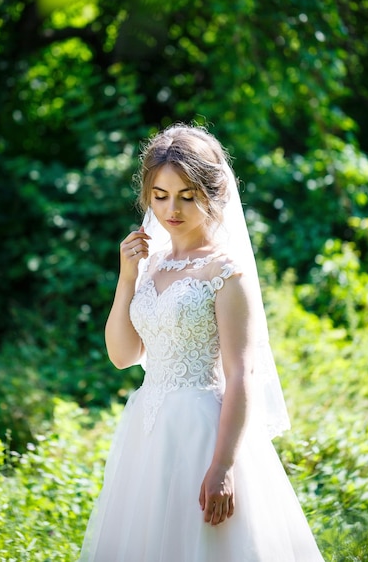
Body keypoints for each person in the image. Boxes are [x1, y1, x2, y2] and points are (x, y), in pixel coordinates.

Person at [78, 124, 325, 562]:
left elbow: (241, 372)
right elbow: (123, 356)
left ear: (213, 194)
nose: (171, 209)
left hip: (203, 431)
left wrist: (223, 465)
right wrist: (126, 276)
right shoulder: (149, 264)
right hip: (148, 429)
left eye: (186, 196)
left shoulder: (225, 272)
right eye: (160, 195)